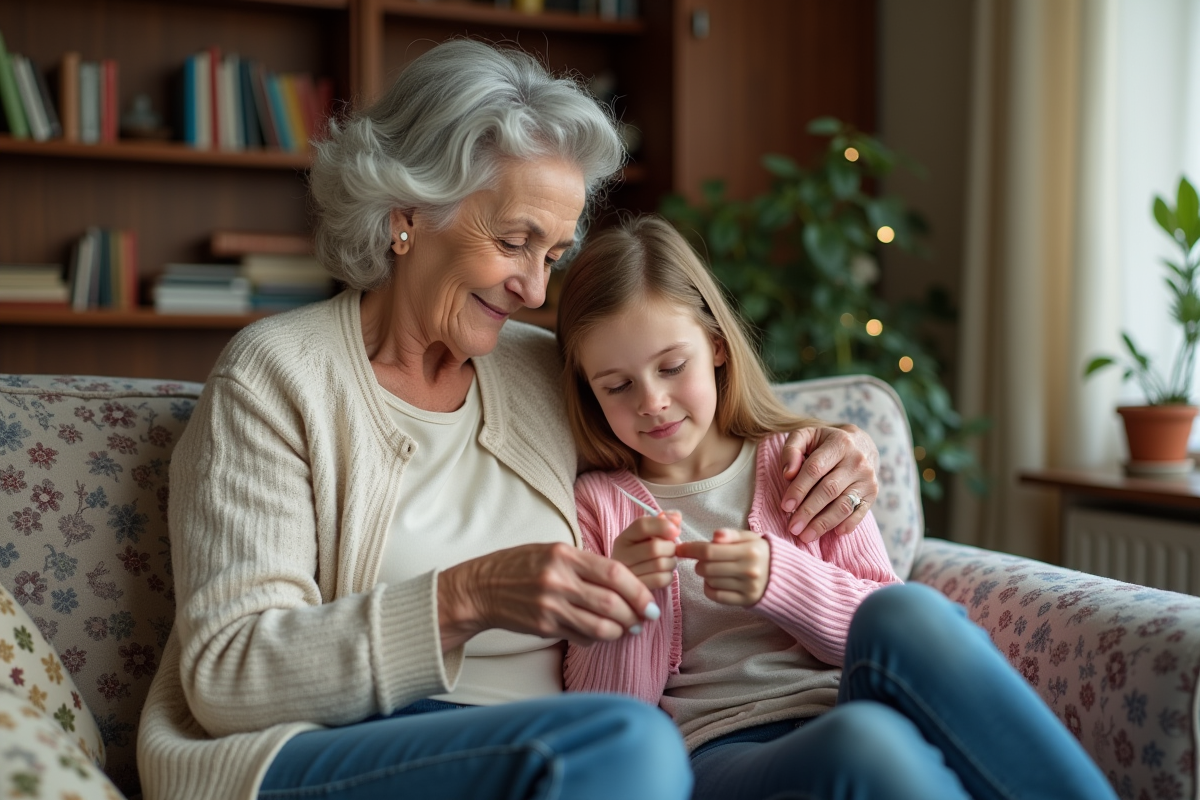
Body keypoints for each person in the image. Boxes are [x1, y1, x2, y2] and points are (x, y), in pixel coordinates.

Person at [135, 41, 885, 800]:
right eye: (515, 242)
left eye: (554, 254)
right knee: (630, 746)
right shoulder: (276, 375)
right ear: (407, 215)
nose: (534, 289)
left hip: (566, 748)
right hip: (334, 748)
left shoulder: (538, 368)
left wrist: (836, 447)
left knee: (635, 745)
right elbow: (227, 674)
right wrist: (470, 595)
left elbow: (695, 420)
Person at [557, 215, 1120, 800]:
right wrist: (626, 598)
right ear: (590, 393)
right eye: (617, 386)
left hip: (851, 699)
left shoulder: (802, 462)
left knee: (905, 614)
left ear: (717, 348)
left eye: (672, 367)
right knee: (863, 742)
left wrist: (782, 577)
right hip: (720, 753)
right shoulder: (599, 506)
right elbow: (610, 717)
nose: (652, 401)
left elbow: (878, 620)